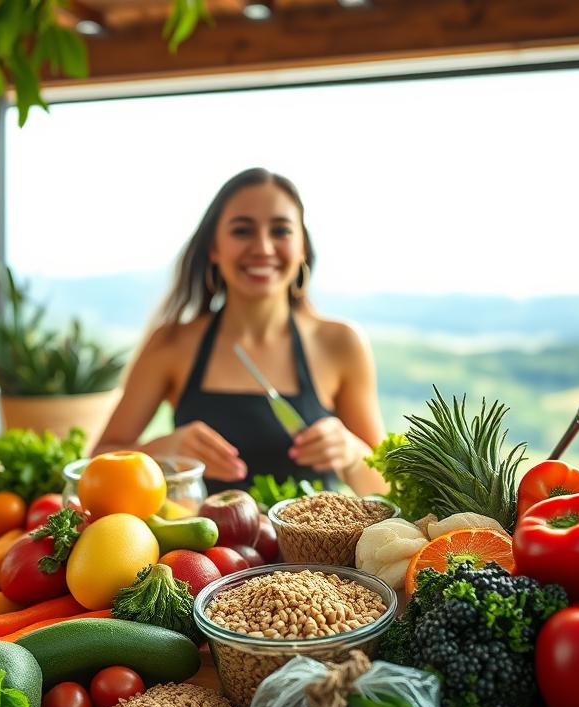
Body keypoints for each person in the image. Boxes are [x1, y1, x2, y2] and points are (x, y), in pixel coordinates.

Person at [95, 168, 387, 496]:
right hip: (199, 549)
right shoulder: (171, 343)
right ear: (214, 249)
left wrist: (350, 453)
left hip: (315, 549)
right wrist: (162, 451)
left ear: (302, 246)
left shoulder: (340, 343)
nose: (262, 247)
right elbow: (96, 461)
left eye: (281, 230)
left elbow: (389, 486)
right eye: (242, 231)